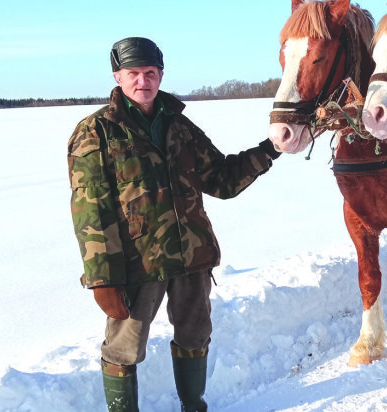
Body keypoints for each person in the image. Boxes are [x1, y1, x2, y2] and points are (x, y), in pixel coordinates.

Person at [67, 37, 281, 412]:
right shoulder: (96, 132)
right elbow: (91, 213)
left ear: (161, 75)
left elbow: (223, 179)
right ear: (118, 77)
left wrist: (271, 148)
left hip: (191, 258)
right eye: (133, 73)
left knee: (195, 335)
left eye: (150, 73)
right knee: (124, 348)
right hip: (137, 266)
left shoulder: (179, 126)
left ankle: (193, 405)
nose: (142, 82)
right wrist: (103, 278)